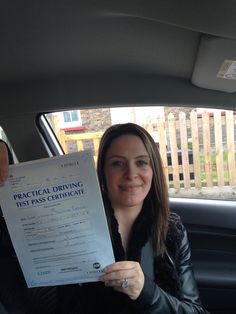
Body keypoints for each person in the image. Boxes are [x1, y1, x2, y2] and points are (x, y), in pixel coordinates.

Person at [0, 124, 210, 314]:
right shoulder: (67, 222)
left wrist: (146, 291)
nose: (131, 173)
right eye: (118, 163)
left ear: (153, 170)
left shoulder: (171, 231)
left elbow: (195, 311)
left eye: (141, 162)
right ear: (103, 172)